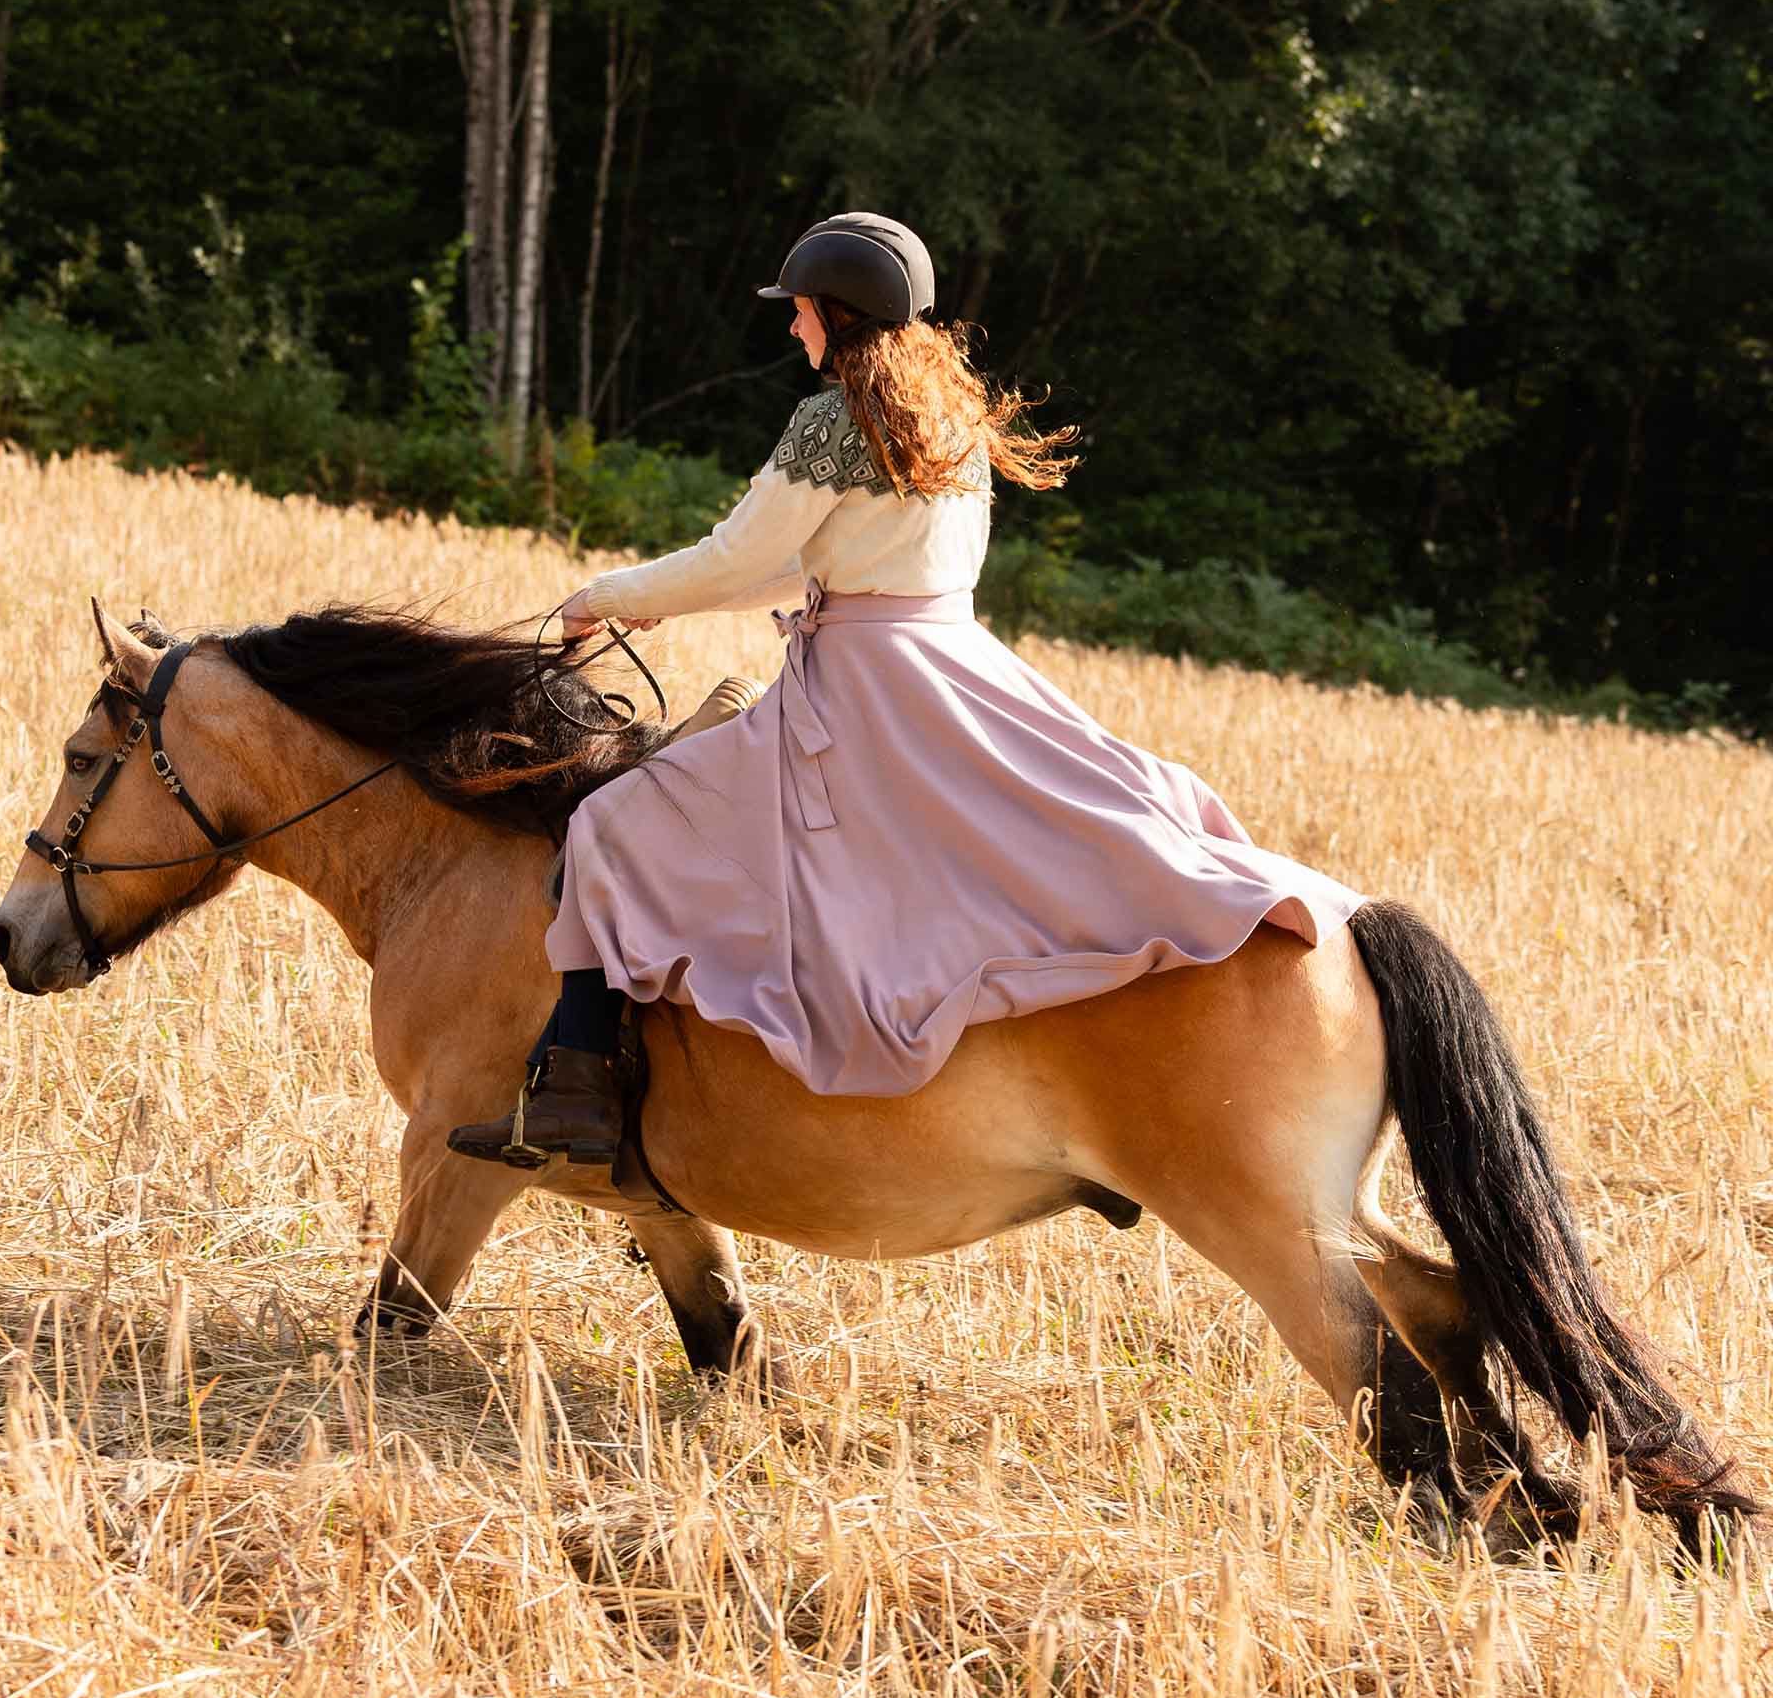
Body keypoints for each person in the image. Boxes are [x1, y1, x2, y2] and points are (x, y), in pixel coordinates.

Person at [448, 210, 1362, 1175]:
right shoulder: (950, 419)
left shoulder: (832, 420)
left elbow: (738, 557)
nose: (793, 325)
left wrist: (604, 596)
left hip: (862, 692)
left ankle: (581, 1088)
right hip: (956, 669)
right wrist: (654, 605)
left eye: (801, 309)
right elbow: (809, 565)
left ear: (837, 313)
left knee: (606, 827)